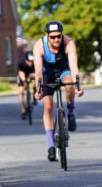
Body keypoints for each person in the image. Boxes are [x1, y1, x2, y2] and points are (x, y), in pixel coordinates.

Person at [33, 20, 84, 162]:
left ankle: (71, 111)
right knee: (48, 106)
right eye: (52, 37)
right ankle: (50, 145)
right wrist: (38, 89)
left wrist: (78, 85)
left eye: (58, 36)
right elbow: (37, 71)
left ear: (62, 35)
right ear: (47, 36)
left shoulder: (68, 43)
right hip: (47, 73)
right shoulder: (39, 46)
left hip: (63, 70)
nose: (56, 39)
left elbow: (74, 67)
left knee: (69, 85)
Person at [16, 50, 36, 118]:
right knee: (21, 92)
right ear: (25, 60)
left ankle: (34, 95)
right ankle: (23, 110)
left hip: (32, 73)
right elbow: (21, 72)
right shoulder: (21, 62)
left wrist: (35, 84)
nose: (30, 63)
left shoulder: (35, 61)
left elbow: (37, 72)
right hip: (22, 73)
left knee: (35, 84)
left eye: (32, 62)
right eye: (29, 62)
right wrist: (24, 81)